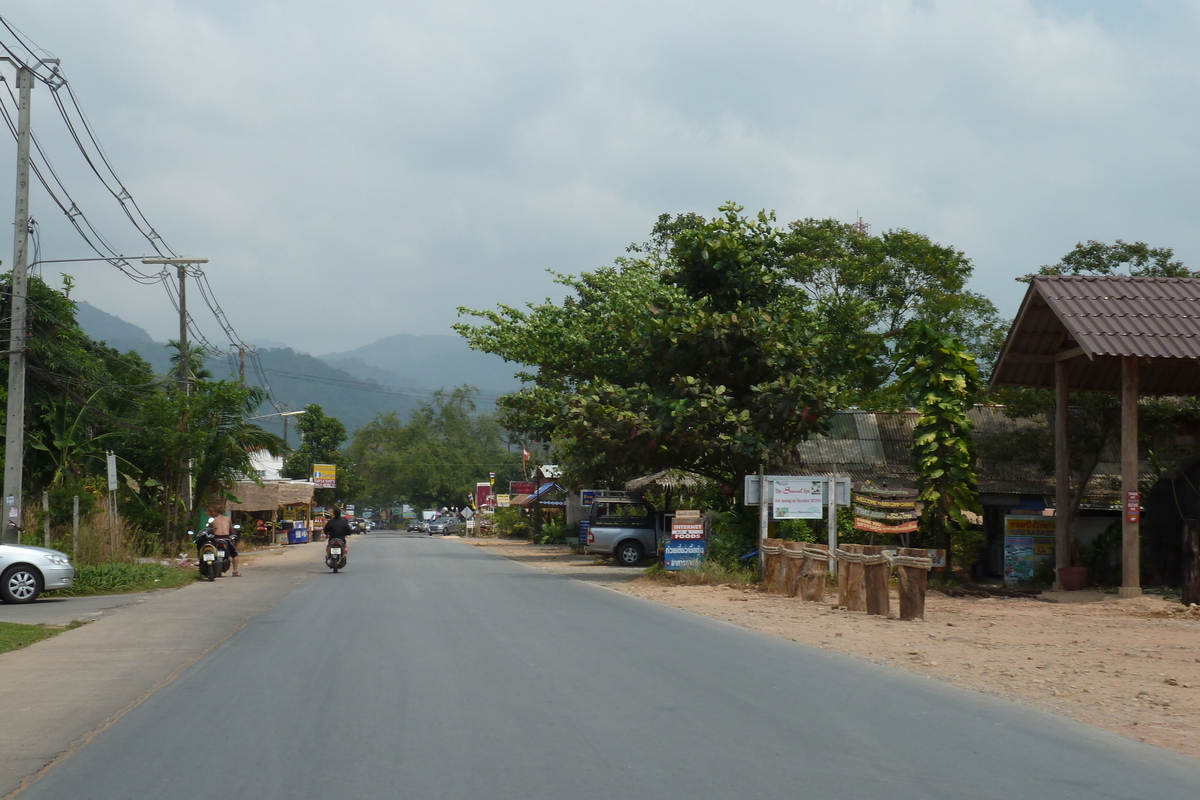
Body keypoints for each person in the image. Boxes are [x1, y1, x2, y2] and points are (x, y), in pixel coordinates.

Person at [208, 503, 241, 576]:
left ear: (216, 511)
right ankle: (235, 572)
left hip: (216, 539)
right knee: (235, 555)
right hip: (226, 539)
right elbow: (230, 530)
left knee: (210, 552)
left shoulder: (213, 520)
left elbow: (211, 530)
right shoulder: (228, 519)